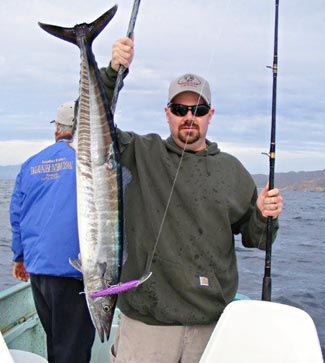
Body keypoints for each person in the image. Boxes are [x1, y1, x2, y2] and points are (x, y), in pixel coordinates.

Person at [102, 39, 284, 363]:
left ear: (210, 115)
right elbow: (88, 125)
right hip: (147, 327)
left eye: (198, 110)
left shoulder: (232, 170)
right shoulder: (139, 153)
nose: (189, 117)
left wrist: (264, 215)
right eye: (180, 109)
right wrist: (113, 72)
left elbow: (259, 239)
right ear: (167, 113)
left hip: (211, 327)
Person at [9, 37, 134, 363]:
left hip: (39, 274)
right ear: (79, 127)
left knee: (56, 345)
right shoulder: (87, 162)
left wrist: (19, 258)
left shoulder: (30, 164)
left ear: (58, 129)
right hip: (75, 276)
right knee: (72, 353)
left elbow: (17, 214)